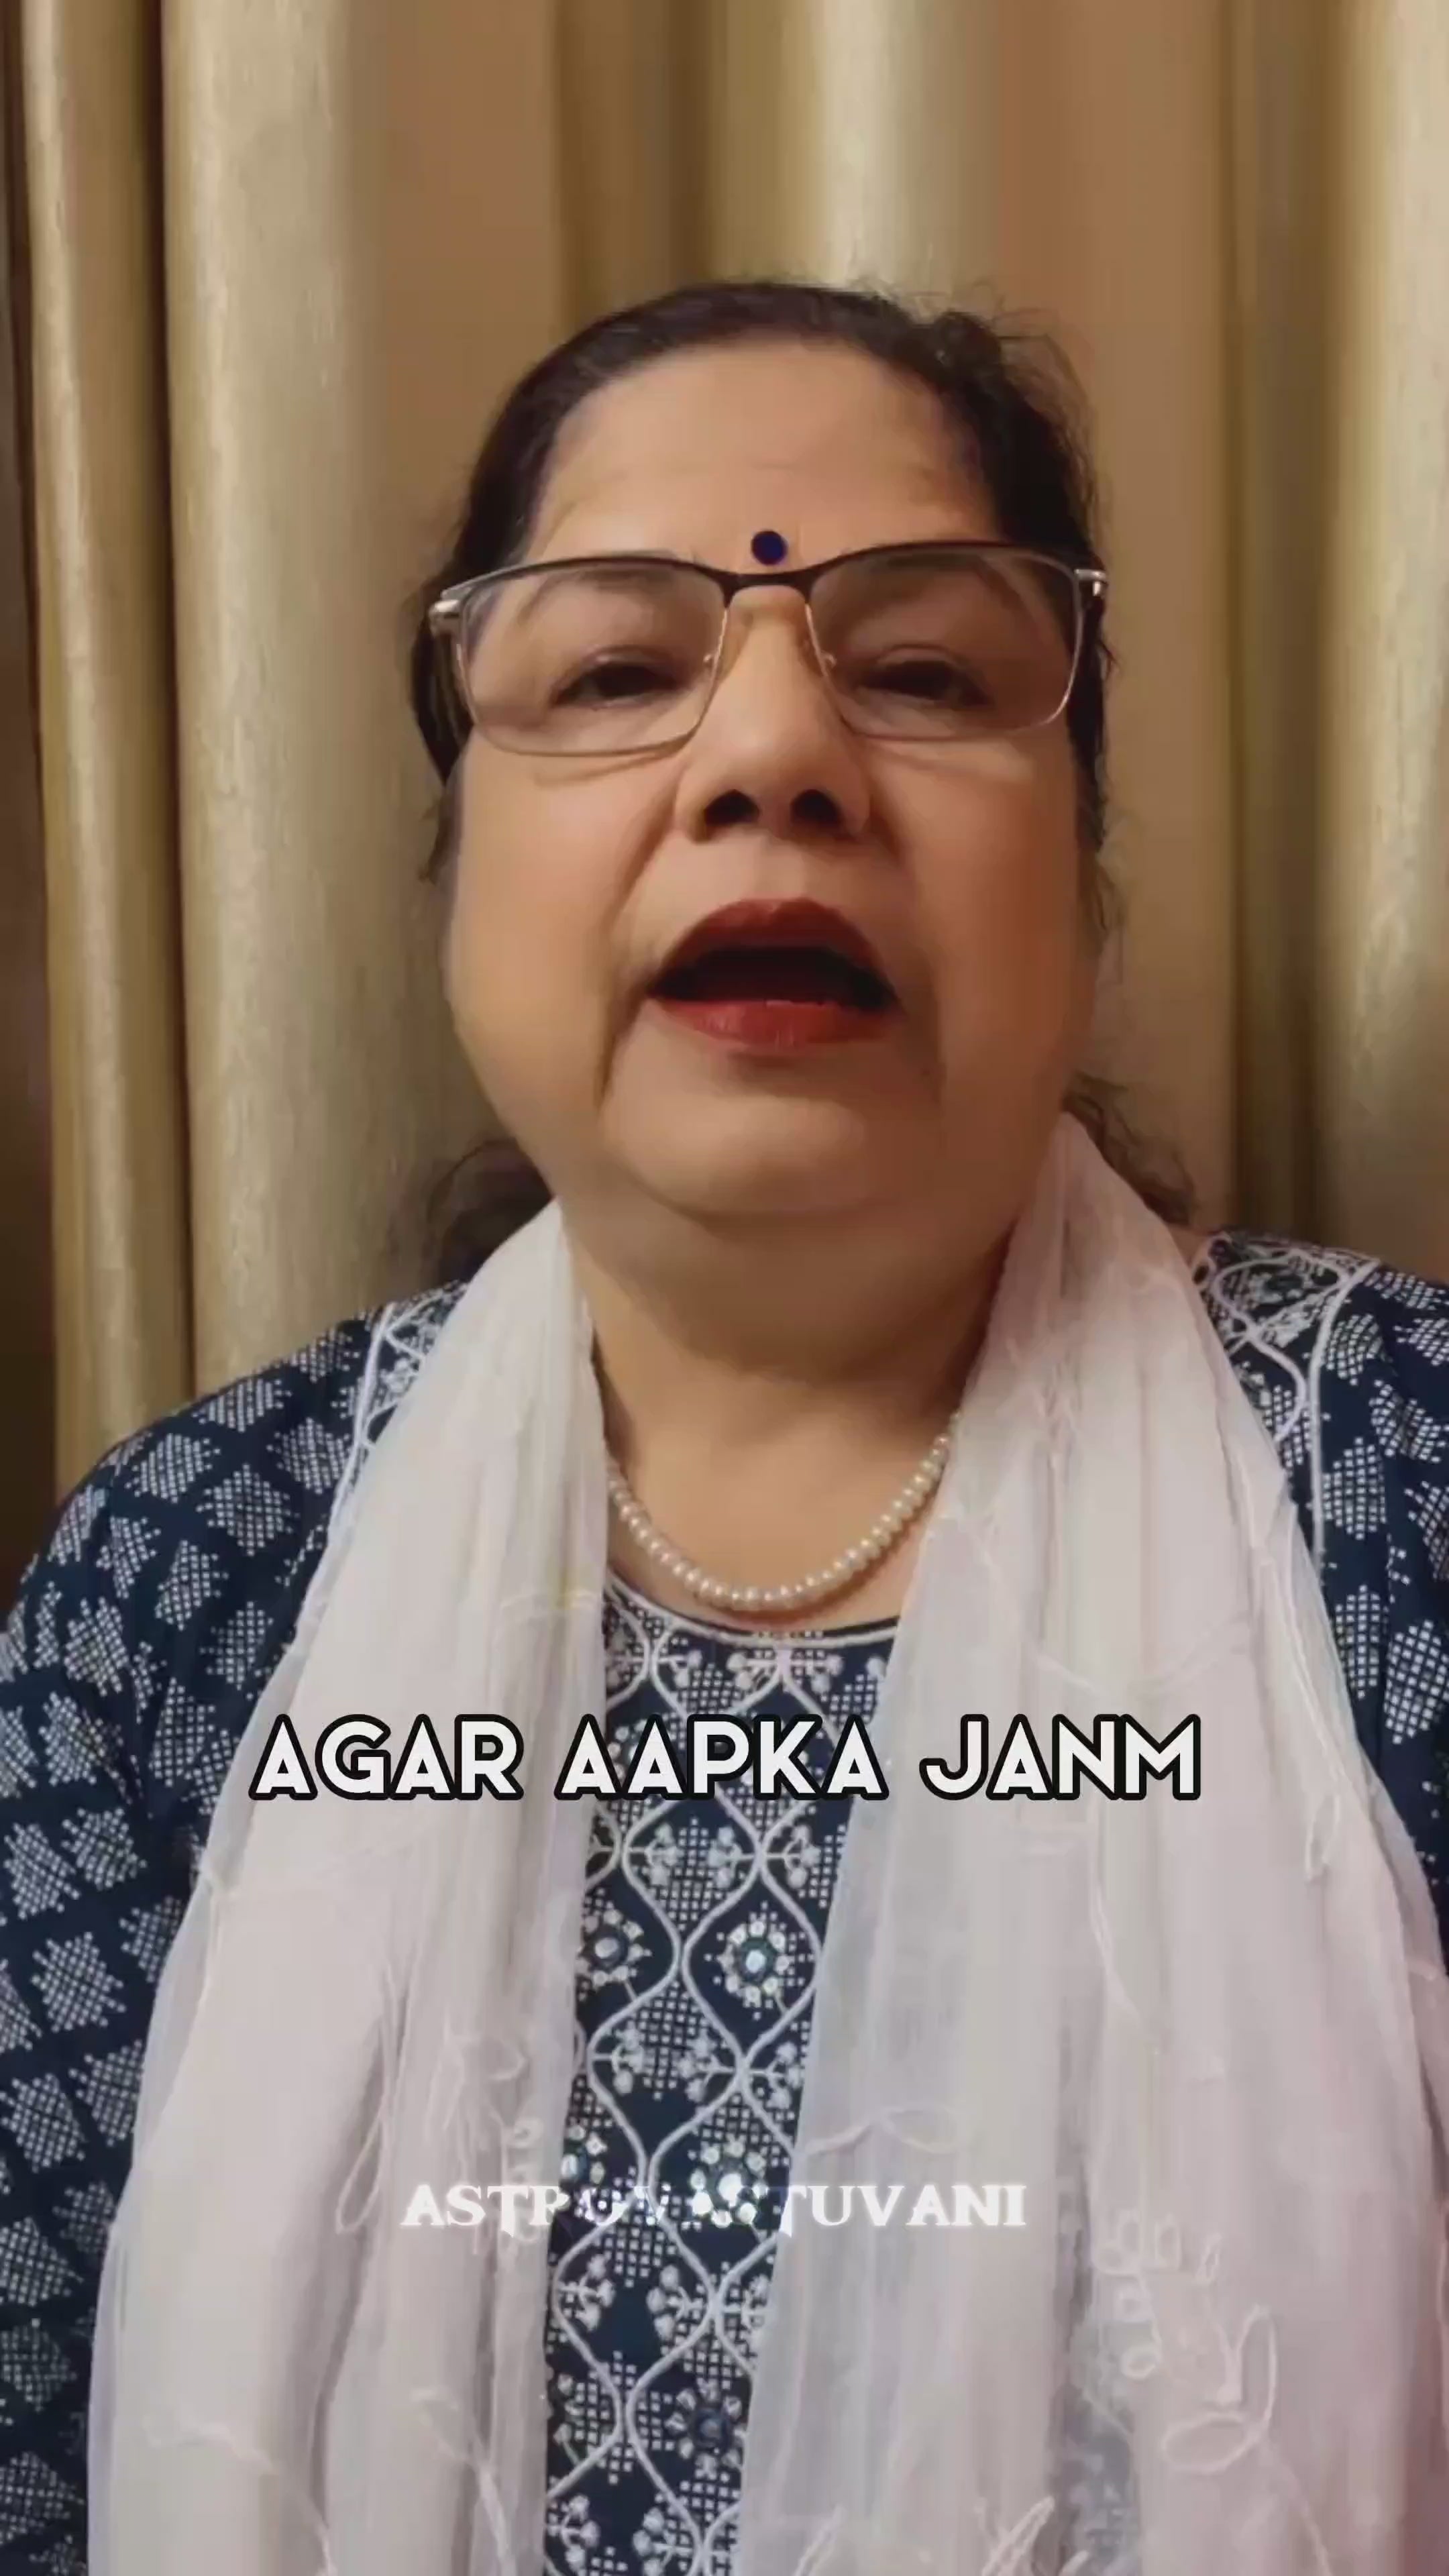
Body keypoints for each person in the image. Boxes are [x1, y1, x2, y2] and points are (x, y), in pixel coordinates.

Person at [3, 276, 1448, 2576]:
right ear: (455, 876)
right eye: (613, 673)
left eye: (926, 672)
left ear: (1081, 880)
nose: (773, 754)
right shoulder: (186, 1580)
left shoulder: (1403, 1496)